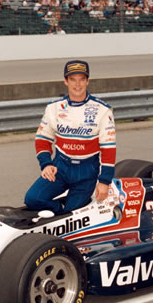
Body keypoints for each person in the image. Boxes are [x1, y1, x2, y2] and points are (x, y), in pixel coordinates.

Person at [24, 60, 116, 214]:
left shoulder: (102, 110)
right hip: (60, 167)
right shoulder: (53, 108)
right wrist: (46, 164)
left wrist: (104, 181)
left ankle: (64, 212)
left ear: (87, 81)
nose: (77, 85)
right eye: (73, 79)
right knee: (32, 199)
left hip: (87, 171)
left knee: (72, 215)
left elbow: (108, 149)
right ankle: (58, 210)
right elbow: (42, 138)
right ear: (65, 81)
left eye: (81, 79)